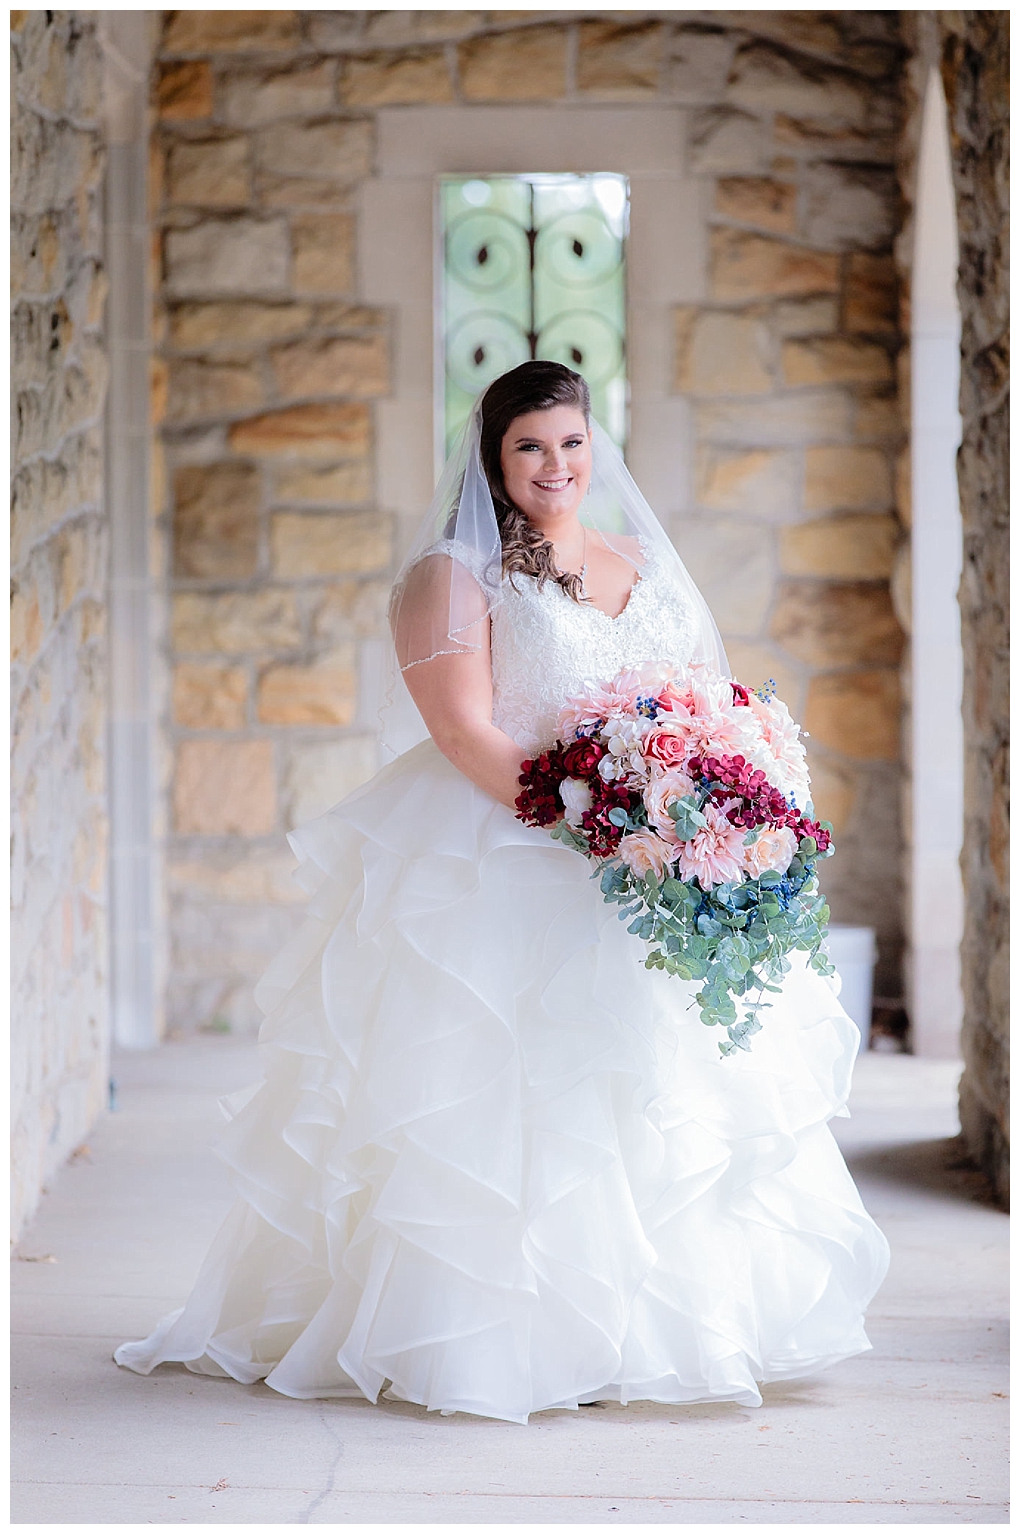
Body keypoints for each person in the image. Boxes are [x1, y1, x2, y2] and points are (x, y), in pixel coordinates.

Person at [116, 361, 888, 1423]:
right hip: (506, 847)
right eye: (529, 447)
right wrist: (595, 823)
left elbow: (702, 694)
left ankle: (655, 1332)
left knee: (644, 1094)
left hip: (643, 861)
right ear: (492, 459)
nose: (555, 466)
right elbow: (462, 731)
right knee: (509, 1100)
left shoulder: (638, 560)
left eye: (570, 443)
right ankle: (497, 1341)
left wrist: (703, 800)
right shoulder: (453, 575)